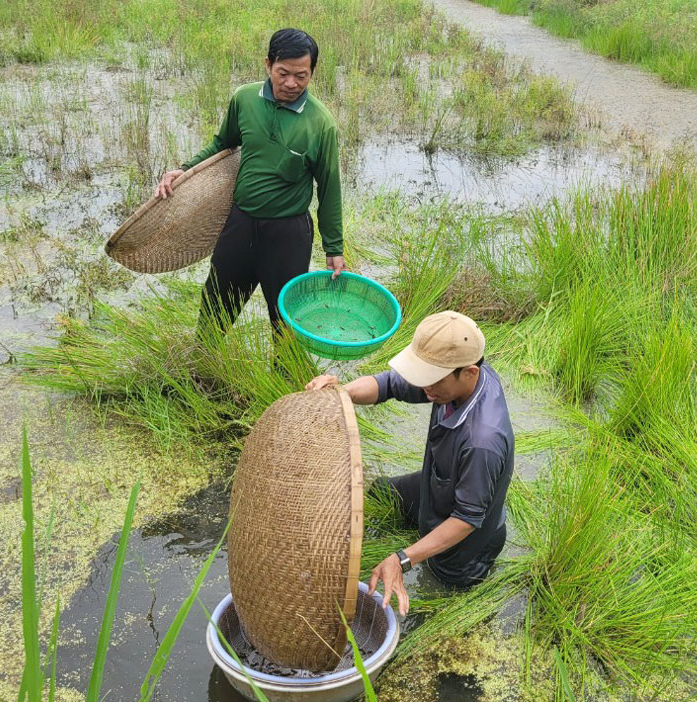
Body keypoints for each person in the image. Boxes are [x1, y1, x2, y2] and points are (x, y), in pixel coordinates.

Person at [306, 311, 514, 615]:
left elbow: (467, 519)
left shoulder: (483, 441)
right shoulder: (453, 378)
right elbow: (389, 385)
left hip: (467, 546)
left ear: (468, 373)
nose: (424, 387)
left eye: (431, 379)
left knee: (438, 590)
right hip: (437, 483)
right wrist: (342, 394)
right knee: (381, 492)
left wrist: (402, 558)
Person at [155, 28, 345, 338]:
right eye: (283, 73)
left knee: (286, 323)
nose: (291, 83)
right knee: (215, 307)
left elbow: (329, 188)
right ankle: (204, 367)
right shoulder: (244, 99)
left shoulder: (320, 124)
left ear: (312, 73)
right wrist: (184, 170)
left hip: (288, 234)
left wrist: (333, 247)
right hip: (240, 225)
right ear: (268, 64)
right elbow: (222, 143)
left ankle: (285, 381)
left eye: (301, 76)